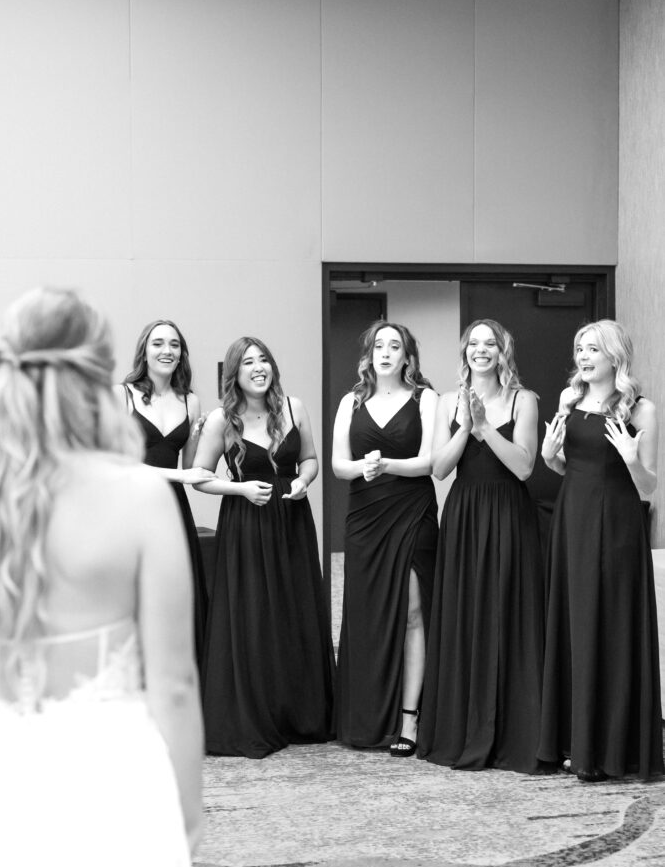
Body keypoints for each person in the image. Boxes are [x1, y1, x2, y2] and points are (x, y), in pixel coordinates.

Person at [0, 288, 204, 867]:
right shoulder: (139, 494)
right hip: (114, 778)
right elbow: (175, 684)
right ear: (101, 377)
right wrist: (186, 815)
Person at [193, 336, 335, 758]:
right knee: (254, 616)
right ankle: (257, 713)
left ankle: (297, 713)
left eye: (264, 360)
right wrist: (238, 489)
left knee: (294, 612)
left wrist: (303, 481)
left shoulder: (294, 408)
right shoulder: (223, 420)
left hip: (291, 521)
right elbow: (199, 476)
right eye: (248, 362)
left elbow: (309, 459)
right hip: (246, 526)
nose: (259, 367)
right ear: (234, 374)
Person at [417, 320, 546, 774]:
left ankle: (515, 732)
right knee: (467, 613)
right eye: (474, 344)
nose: (481, 350)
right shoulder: (447, 401)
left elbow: (525, 467)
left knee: (509, 614)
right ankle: (462, 727)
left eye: (490, 344)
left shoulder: (524, 400)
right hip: (465, 514)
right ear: (465, 352)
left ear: (503, 352)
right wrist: (463, 426)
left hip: (510, 514)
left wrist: (487, 427)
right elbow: (439, 468)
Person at [538, 319, 663, 781]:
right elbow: (568, 466)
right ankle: (577, 743)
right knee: (577, 624)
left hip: (617, 524)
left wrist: (633, 459)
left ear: (615, 356)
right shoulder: (569, 401)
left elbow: (648, 486)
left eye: (592, 349)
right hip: (573, 517)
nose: (583, 357)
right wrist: (551, 459)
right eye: (579, 349)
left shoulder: (640, 409)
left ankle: (612, 749)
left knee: (611, 624)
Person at [332, 321, 438, 755]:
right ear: (369, 353)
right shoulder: (351, 400)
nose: (386, 352)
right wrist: (364, 468)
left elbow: (429, 460)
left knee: (413, 612)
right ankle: (366, 715)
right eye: (379, 345)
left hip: (411, 512)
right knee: (366, 615)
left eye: (395, 346)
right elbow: (339, 465)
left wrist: (388, 465)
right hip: (365, 517)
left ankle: (409, 719)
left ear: (408, 356)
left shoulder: (425, 398)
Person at [122, 320, 211, 669]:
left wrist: (197, 437)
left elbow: (189, 466)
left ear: (181, 354)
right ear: (145, 350)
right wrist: (181, 473)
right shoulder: (122, 394)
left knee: (175, 600)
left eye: (174, 344)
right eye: (158, 343)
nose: (167, 350)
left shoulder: (191, 401)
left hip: (173, 509)